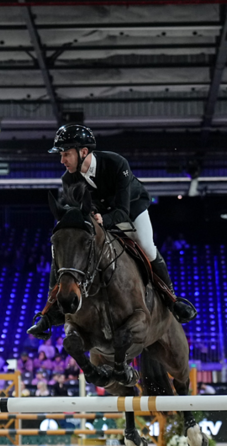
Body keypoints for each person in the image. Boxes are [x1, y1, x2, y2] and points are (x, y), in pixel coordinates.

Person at [27, 124, 197, 339]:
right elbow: (79, 213)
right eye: (61, 155)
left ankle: (172, 300)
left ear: (84, 152)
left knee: (147, 247)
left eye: (66, 154)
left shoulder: (116, 163)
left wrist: (103, 219)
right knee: (68, 250)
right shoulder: (68, 180)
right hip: (99, 220)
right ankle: (51, 312)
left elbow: (123, 210)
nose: (62, 160)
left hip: (131, 212)